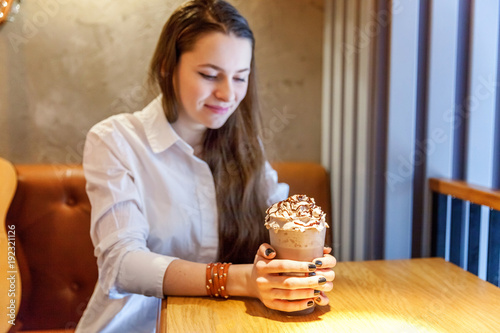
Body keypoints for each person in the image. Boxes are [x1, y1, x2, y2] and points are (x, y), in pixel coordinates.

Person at [76, 0, 336, 332]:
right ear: (167, 68)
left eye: (240, 78)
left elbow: (278, 219)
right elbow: (121, 264)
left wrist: (303, 270)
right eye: (210, 75)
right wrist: (239, 279)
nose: (228, 94)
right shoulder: (115, 140)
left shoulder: (244, 145)